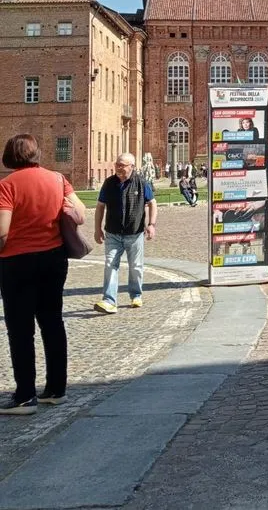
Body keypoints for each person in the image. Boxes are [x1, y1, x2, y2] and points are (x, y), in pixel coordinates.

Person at [0, 135, 87, 415]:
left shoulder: (7, 185)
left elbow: (2, 232)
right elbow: (80, 212)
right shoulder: (58, 179)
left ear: (10, 155)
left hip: (17, 262)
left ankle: (25, 396)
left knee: (20, 329)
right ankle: (56, 390)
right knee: (52, 322)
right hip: (53, 258)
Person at [93, 153, 157, 314]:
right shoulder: (109, 183)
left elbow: (152, 203)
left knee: (135, 266)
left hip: (134, 233)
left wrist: (151, 224)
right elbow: (100, 206)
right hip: (113, 232)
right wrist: (97, 228)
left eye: (122, 165)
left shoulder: (141, 183)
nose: (118, 168)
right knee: (110, 264)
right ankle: (109, 300)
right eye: (117, 164)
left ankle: (136, 295)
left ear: (132, 167)